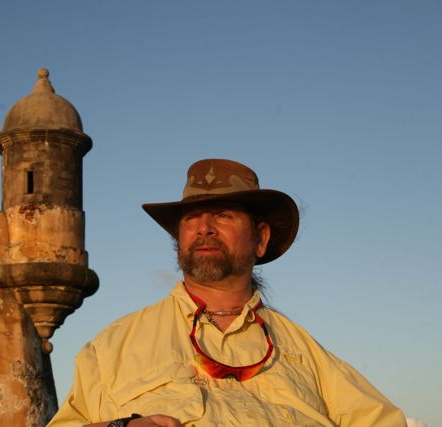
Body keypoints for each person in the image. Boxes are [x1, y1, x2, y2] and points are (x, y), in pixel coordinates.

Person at [47, 159, 406, 427]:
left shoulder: (309, 357)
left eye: (223, 215)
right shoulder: (110, 348)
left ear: (261, 239)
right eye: (191, 218)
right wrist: (118, 426)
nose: (204, 228)